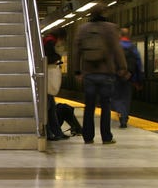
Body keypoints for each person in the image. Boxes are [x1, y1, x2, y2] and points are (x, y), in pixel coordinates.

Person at [73, 11, 128, 145]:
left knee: (89, 106)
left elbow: (76, 51)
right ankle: (106, 137)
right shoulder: (110, 28)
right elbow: (117, 49)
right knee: (105, 106)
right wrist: (123, 67)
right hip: (106, 73)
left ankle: (88, 137)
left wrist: (77, 71)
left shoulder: (82, 29)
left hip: (89, 74)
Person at [112, 27, 143, 128]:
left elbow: (110, 61)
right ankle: (124, 116)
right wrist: (138, 80)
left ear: (120, 35)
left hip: (116, 76)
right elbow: (138, 64)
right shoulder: (132, 47)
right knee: (126, 97)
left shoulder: (115, 47)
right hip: (129, 76)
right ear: (128, 35)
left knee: (116, 96)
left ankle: (120, 112)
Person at [42, 28, 67, 141]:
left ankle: (56, 132)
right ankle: (48, 132)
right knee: (47, 107)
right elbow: (48, 58)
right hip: (47, 76)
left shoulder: (47, 40)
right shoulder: (50, 42)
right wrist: (58, 57)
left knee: (51, 107)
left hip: (46, 75)